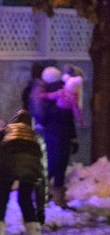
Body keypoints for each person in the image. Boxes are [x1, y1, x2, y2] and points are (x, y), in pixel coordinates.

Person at [0, 109, 48, 235]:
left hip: (6, 162)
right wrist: (41, 208)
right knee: (25, 198)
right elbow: (43, 175)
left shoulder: (5, 131)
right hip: (31, 167)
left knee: (2, 197)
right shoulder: (36, 137)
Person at [31, 65, 76, 206]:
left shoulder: (42, 94)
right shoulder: (63, 92)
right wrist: (73, 136)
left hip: (51, 133)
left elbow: (41, 116)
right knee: (59, 165)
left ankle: (40, 194)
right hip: (62, 133)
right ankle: (57, 198)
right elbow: (68, 117)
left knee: (52, 164)